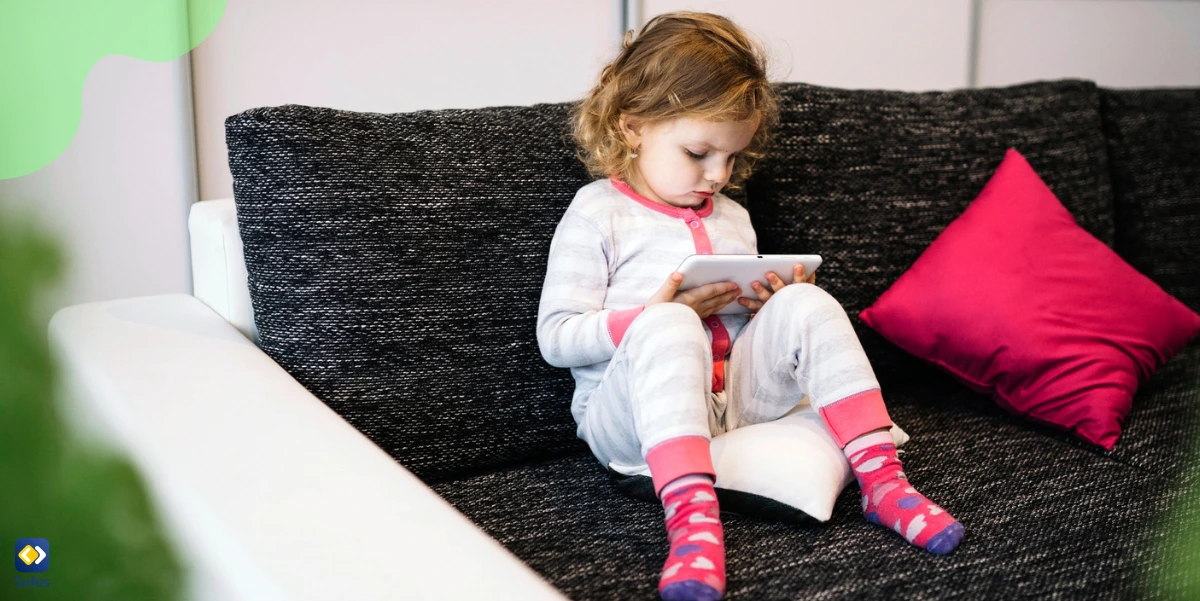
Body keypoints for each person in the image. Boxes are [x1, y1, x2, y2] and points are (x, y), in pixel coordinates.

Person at [536, 11, 964, 601]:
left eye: (731, 158)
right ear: (632, 126)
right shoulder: (597, 212)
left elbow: (743, 330)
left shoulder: (734, 217)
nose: (717, 176)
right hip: (631, 422)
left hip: (731, 402)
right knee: (668, 323)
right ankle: (692, 523)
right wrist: (653, 311)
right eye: (698, 153)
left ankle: (883, 484)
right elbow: (556, 338)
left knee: (807, 303)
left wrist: (769, 307)